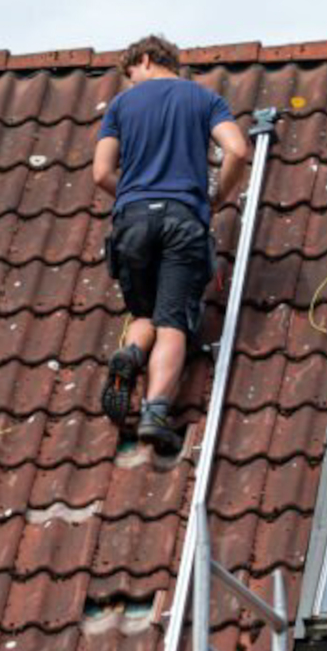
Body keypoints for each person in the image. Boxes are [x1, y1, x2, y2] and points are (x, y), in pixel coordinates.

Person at [91, 34, 249, 455]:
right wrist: (216, 198)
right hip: (183, 219)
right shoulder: (203, 99)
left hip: (134, 219)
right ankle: (156, 412)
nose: (130, 84)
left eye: (130, 75)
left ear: (144, 59)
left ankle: (131, 352)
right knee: (174, 320)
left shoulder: (122, 107)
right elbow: (237, 148)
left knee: (145, 312)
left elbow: (101, 172)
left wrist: (134, 194)